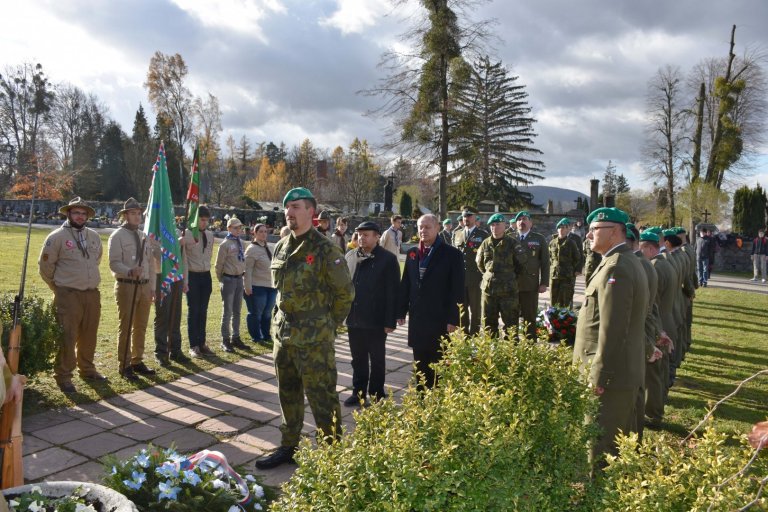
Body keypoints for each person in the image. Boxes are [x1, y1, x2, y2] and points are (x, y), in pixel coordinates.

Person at [255, 187, 354, 470]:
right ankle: (288, 446)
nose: (289, 213)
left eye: (295, 207)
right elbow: (281, 292)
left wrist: (327, 325)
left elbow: (345, 294)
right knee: (287, 393)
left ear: (311, 211)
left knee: (322, 395)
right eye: (287, 208)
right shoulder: (282, 246)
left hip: (314, 339)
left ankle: (333, 455)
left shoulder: (325, 249)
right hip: (284, 335)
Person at [572, 207, 649, 466]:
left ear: (614, 232)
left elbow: (614, 328)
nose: (588, 235)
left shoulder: (618, 267)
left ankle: (599, 500)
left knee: (602, 445)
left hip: (611, 376)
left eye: (594, 230)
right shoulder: (617, 261)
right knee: (614, 443)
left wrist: (600, 376)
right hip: (617, 371)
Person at [38, 197, 105, 393]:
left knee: (89, 333)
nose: (80, 216)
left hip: (91, 294)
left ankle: (88, 369)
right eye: (76, 212)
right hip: (68, 294)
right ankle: (64, 376)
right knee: (67, 335)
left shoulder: (93, 236)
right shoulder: (56, 237)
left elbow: (97, 259)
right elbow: (45, 267)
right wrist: (59, 288)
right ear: (68, 214)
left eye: (84, 213)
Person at [397, 214, 464, 389]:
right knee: (420, 364)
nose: (423, 230)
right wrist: (400, 311)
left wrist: (453, 318)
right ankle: (421, 400)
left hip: (439, 318)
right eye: (420, 227)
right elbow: (406, 284)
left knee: (438, 363)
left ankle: (438, 401)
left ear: (437, 228)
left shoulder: (452, 254)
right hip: (418, 318)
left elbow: (457, 289)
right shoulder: (412, 253)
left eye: (427, 227)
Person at [343, 221, 400, 406]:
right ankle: (358, 393)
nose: (362, 238)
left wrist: (390, 320)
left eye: (366, 235)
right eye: (359, 234)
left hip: (376, 320)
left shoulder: (388, 259)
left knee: (377, 360)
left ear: (377, 237)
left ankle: (377, 394)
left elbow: (393, 292)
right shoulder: (351, 256)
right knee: (357, 359)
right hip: (355, 318)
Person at [108, 198, 157, 381]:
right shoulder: (117, 236)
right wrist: (129, 270)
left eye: (139, 214)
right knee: (126, 326)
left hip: (144, 287)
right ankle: (125, 364)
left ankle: (137, 360)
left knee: (141, 326)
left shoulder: (144, 236)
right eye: (133, 214)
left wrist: (152, 287)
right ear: (125, 215)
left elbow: (150, 264)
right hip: (126, 285)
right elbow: (113, 263)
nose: (137, 217)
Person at [638, 230, 676, 428]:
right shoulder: (662, 263)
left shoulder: (655, 266)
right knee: (657, 373)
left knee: (653, 374)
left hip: (657, 322)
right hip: (663, 319)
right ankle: (656, 409)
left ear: (650, 248)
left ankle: (653, 414)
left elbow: (651, 303)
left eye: (641, 247)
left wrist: (656, 331)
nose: (638, 250)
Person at [475, 213, 526, 337]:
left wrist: (508, 277)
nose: (495, 227)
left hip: (508, 291)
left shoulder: (512, 243)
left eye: (498, 224)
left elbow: (521, 264)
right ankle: (492, 352)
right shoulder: (485, 243)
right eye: (492, 225)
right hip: (489, 291)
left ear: (504, 225)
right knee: (488, 323)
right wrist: (489, 276)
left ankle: (510, 353)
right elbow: (480, 264)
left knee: (511, 324)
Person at [180, 206, 215, 358]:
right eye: (201, 220)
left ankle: (202, 343)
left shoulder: (210, 235)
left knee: (203, 311)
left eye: (206, 220)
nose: (204, 223)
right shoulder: (187, 234)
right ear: (195, 219)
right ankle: (193, 345)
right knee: (193, 311)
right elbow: (182, 258)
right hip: (192, 276)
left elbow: (209, 255)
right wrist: (185, 280)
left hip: (205, 275)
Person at [152, 226, 188, 366]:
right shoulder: (153, 230)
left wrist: (185, 280)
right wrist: (174, 244)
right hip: (161, 278)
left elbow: (183, 259)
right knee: (162, 316)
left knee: (176, 314)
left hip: (176, 278)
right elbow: (154, 255)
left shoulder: (178, 232)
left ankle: (175, 350)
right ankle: (161, 352)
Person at [451, 207, 488, 335]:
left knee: (475, 310)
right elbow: (454, 256)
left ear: (475, 217)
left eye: (469, 216)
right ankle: (465, 335)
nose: (466, 218)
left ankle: (475, 335)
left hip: (476, 279)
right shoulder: (457, 234)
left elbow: (486, 258)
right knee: (462, 310)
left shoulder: (483, 235)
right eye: (464, 216)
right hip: (460, 279)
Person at [215, 216, 249, 353]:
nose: (239, 230)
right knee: (227, 311)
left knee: (237, 310)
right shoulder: (224, 244)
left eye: (240, 227)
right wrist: (223, 279)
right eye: (236, 227)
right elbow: (218, 265)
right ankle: (225, 339)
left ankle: (236, 337)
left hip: (239, 279)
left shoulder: (241, 242)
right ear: (229, 228)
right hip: (228, 279)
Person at [514, 211, 549, 340]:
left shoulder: (539, 239)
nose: (521, 222)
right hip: (511, 284)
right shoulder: (510, 237)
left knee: (529, 317)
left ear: (531, 223)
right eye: (519, 219)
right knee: (511, 317)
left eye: (525, 219)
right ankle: (513, 345)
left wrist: (544, 282)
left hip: (530, 284)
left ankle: (530, 345)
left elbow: (545, 262)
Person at [244, 223, 276, 345]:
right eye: (260, 231)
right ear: (255, 233)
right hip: (257, 286)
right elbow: (247, 270)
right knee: (256, 313)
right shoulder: (252, 249)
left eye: (265, 231)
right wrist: (247, 287)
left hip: (271, 285)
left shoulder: (269, 248)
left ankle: (266, 334)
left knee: (267, 313)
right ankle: (256, 336)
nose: (263, 234)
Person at [549, 218, 581, 308]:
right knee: (554, 299)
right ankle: (553, 318)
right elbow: (550, 258)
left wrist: (570, 268)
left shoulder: (571, 243)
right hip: (554, 275)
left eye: (563, 227)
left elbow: (577, 258)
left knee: (566, 300)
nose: (561, 229)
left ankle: (566, 320)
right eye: (559, 227)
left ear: (568, 229)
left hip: (567, 276)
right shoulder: (552, 243)